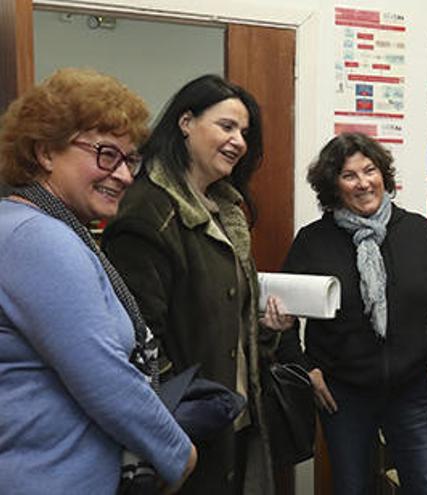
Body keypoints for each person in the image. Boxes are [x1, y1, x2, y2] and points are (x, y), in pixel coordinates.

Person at [0, 68, 197, 493]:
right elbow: (104, 378)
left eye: (130, 159)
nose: (124, 175)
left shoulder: (31, 226)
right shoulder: (37, 238)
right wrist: (179, 455)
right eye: (106, 154)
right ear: (45, 152)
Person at [101, 75, 293, 494]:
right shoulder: (148, 210)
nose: (239, 141)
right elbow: (140, 339)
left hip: (235, 417)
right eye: (226, 126)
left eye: (244, 132)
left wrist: (266, 334)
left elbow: (227, 320)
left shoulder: (226, 212)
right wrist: (187, 412)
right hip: (184, 427)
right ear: (186, 122)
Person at [279, 132, 427, 494]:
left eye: (370, 170)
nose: (363, 183)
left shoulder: (418, 231)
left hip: (411, 390)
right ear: (333, 185)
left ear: (384, 175)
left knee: (426, 486)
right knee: (351, 487)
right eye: (349, 175)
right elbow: (283, 313)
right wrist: (306, 370)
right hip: (342, 394)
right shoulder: (312, 241)